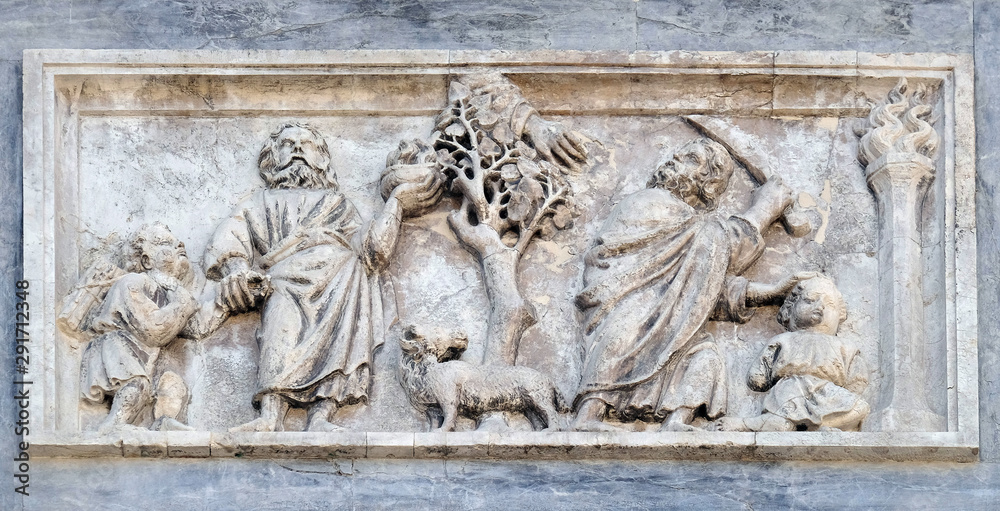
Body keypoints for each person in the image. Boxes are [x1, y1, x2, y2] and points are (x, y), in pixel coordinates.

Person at [206, 123, 441, 432]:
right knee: (281, 325)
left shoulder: (337, 204)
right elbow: (231, 237)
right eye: (288, 144)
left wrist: (396, 203)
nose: (298, 149)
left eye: (306, 144)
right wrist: (235, 268)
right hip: (285, 281)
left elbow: (371, 253)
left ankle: (321, 417)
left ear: (322, 158)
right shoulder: (258, 204)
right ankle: (270, 416)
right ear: (270, 158)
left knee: (350, 305)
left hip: (339, 279)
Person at [571, 137, 809, 432]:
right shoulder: (651, 202)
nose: (674, 160)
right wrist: (765, 208)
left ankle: (677, 422)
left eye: (691, 159)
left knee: (705, 357)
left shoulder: (689, 241)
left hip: (670, 328)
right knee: (623, 335)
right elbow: (718, 244)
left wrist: (772, 293)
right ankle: (588, 416)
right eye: (679, 154)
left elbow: (701, 291)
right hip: (628, 307)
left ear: (707, 185)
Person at [79, 223, 198, 434]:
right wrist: (183, 303)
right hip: (118, 348)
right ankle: (113, 426)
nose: (178, 244)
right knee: (136, 386)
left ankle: (163, 421)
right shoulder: (132, 282)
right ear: (147, 260)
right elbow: (154, 329)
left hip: (146, 356)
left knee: (172, 385)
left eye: (175, 241)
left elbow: (195, 328)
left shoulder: (169, 290)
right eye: (165, 244)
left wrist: (226, 302)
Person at [711, 275, 870, 432]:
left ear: (840, 315)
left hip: (828, 395)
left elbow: (857, 379)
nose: (820, 306)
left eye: (829, 304)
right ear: (789, 309)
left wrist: (843, 396)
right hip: (791, 392)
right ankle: (748, 424)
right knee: (782, 420)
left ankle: (821, 425)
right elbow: (757, 379)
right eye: (810, 300)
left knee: (861, 408)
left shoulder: (845, 347)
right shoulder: (783, 340)